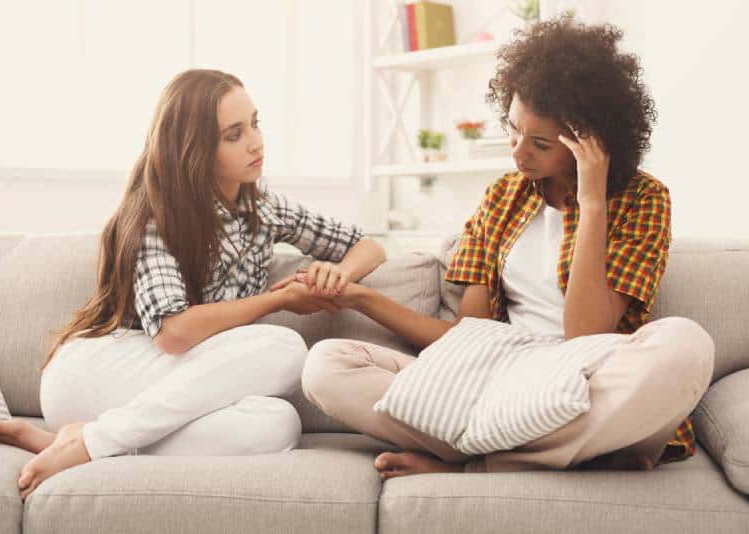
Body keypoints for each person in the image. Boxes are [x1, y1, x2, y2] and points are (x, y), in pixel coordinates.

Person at [296, 17, 715, 479]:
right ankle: (564, 455)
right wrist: (360, 297)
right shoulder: (502, 197)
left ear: (590, 143)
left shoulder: (643, 198)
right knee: (326, 366)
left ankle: (477, 462)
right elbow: (468, 336)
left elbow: (586, 335)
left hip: (587, 374)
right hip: (500, 378)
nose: (517, 154)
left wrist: (593, 203)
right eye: (513, 130)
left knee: (686, 345)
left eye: (539, 144)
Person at [0, 68, 386, 498]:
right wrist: (276, 301)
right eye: (234, 134)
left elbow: (368, 247)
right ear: (193, 149)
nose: (256, 141)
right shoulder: (155, 216)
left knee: (277, 424)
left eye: (255, 123)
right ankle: (93, 442)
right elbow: (174, 334)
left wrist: (337, 275)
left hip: (156, 393)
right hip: (95, 374)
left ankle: (84, 439)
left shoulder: (264, 207)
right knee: (284, 347)